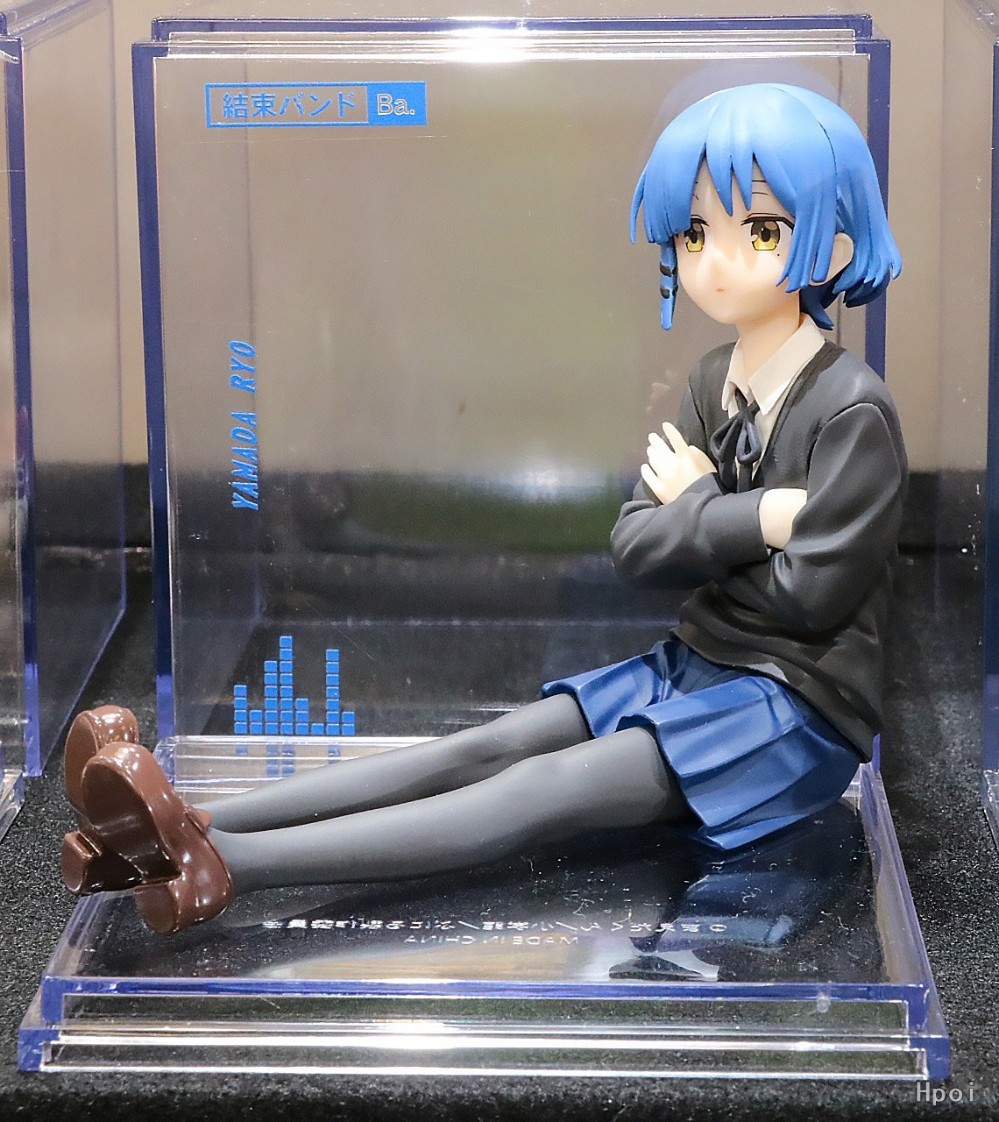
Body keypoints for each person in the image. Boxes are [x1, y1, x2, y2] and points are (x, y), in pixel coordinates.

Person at [61, 83, 906, 935]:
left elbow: (808, 602)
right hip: (700, 659)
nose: (714, 261)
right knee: (485, 745)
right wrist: (755, 520)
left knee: (542, 786)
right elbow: (634, 546)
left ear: (833, 244)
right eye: (694, 233)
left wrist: (699, 508)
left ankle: (224, 867)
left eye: (758, 232)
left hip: (796, 713)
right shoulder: (710, 378)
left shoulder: (851, 412)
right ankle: (188, 822)